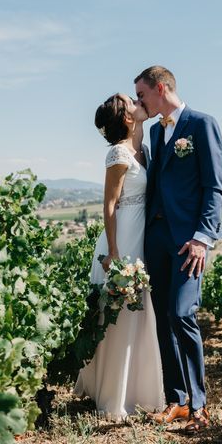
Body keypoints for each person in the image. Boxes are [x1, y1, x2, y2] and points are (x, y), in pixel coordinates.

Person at [135, 66, 222, 433]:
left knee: (182, 313)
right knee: (162, 318)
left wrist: (204, 237)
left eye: (142, 96)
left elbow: (214, 187)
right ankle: (178, 400)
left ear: (160, 88)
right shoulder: (156, 131)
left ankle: (200, 406)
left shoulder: (202, 124)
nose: (139, 103)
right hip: (156, 237)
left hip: (189, 242)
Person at [73, 93, 165, 418]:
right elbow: (109, 205)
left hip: (140, 235)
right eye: (132, 102)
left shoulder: (139, 143)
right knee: (120, 314)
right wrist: (113, 252)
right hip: (122, 238)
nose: (137, 103)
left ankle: (139, 389)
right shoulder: (118, 152)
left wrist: (150, 107)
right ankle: (115, 395)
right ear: (126, 118)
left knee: (140, 312)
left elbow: (144, 122)